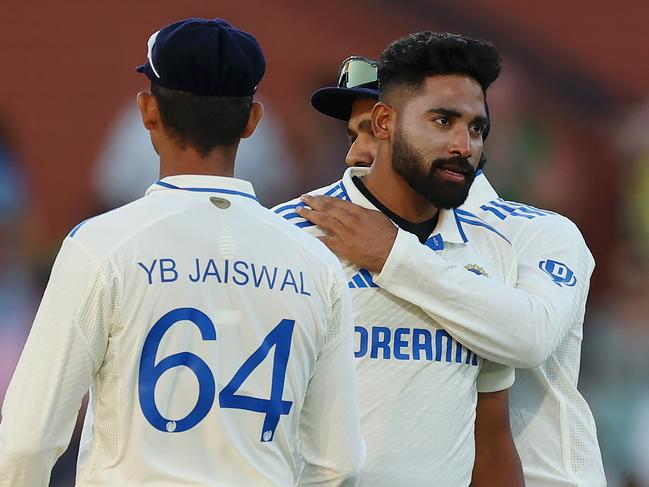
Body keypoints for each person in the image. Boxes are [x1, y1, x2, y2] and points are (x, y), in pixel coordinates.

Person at [0, 18, 365, 487]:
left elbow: (27, 443)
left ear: (148, 111)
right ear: (253, 120)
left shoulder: (100, 246)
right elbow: (339, 465)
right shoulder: (315, 262)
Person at [299, 44, 605, 487]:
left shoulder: (536, 234)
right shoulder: (332, 230)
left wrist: (393, 253)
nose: (357, 153)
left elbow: (528, 337)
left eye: (371, 129)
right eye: (355, 135)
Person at [274, 32, 524, 486]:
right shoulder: (291, 235)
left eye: (476, 128)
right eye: (443, 121)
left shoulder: (492, 250)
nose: (464, 146)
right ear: (385, 122)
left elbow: (491, 440)